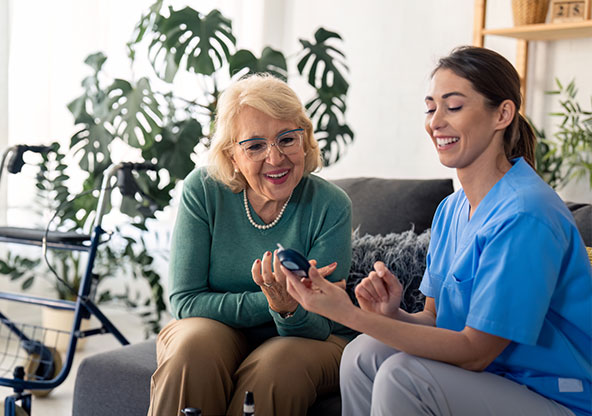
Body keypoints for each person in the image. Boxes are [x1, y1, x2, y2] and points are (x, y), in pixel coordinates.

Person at [285, 46, 592, 416]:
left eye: (454, 106)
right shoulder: (451, 210)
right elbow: (433, 319)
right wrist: (392, 314)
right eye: (431, 108)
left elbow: (475, 352)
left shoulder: (527, 214)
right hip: (492, 381)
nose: (436, 122)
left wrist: (348, 314)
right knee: (362, 354)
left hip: (555, 397)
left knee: (404, 375)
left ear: (503, 114)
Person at [147, 73, 355, 416]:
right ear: (231, 155)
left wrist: (289, 309)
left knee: (276, 366)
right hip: (219, 331)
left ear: (304, 141)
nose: (275, 159)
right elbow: (185, 301)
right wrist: (276, 301)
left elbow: (323, 321)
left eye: (287, 139)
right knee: (191, 348)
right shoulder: (203, 191)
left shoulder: (331, 205)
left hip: (313, 340)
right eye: (255, 146)